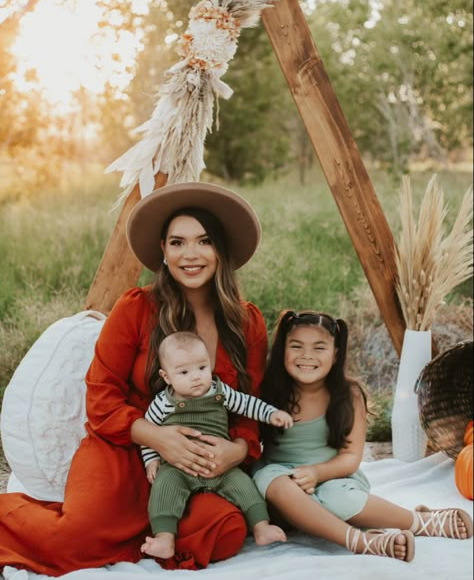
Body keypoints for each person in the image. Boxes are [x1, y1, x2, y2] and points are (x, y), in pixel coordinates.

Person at [0, 182, 270, 575]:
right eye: (177, 242)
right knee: (72, 538)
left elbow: (249, 412)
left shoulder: (246, 322)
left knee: (224, 531)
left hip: (199, 465)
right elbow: (101, 398)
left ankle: (149, 530)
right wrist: (158, 438)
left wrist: (237, 452)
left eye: (204, 241)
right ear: (163, 250)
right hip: (127, 447)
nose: (190, 255)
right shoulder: (135, 308)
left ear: (221, 250)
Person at [253, 310, 473, 564]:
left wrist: (316, 473)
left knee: (340, 498)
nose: (307, 356)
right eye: (296, 346)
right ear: (283, 351)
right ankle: (361, 541)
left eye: (319, 348)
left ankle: (419, 521)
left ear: (335, 354)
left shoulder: (348, 396)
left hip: (329, 475)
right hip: (277, 474)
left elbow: (350, 457)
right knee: (281, 486)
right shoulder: (269, 391)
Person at [141, 330, 293, 559]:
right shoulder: (163, 402)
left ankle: (261, 527)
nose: (196, 377)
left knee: (244, 486)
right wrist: (151, 460)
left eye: (202, 368)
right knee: (164, 489)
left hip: (220, 465)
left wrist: (271, 414)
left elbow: (247, 404)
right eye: (184, 372)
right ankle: (164, 538)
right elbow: (149, 432)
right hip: (178, 468)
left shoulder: (219, 392)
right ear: (166, 376)